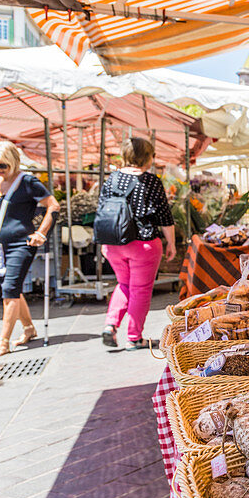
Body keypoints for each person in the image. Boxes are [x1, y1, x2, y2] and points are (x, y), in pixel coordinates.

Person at [0, 141, 60, 357]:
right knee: (13, 288)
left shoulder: (27, 182)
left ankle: (3, 342)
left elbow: (53, 205)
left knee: (9, 289)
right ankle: (29, 329)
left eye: (3, 166)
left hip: (21, 243)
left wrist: (41, 232)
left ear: (14, 163)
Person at [99, 138, 177, 350]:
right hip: (143, 244)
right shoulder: (151, 182)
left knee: (124, 284)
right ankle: (134, 337)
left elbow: (102, 210)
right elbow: (164, 216)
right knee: (140, 290)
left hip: (114, 243)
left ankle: (110, 325)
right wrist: (171, 243)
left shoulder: (111, 179)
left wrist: (103, 243)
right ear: (148, 157)